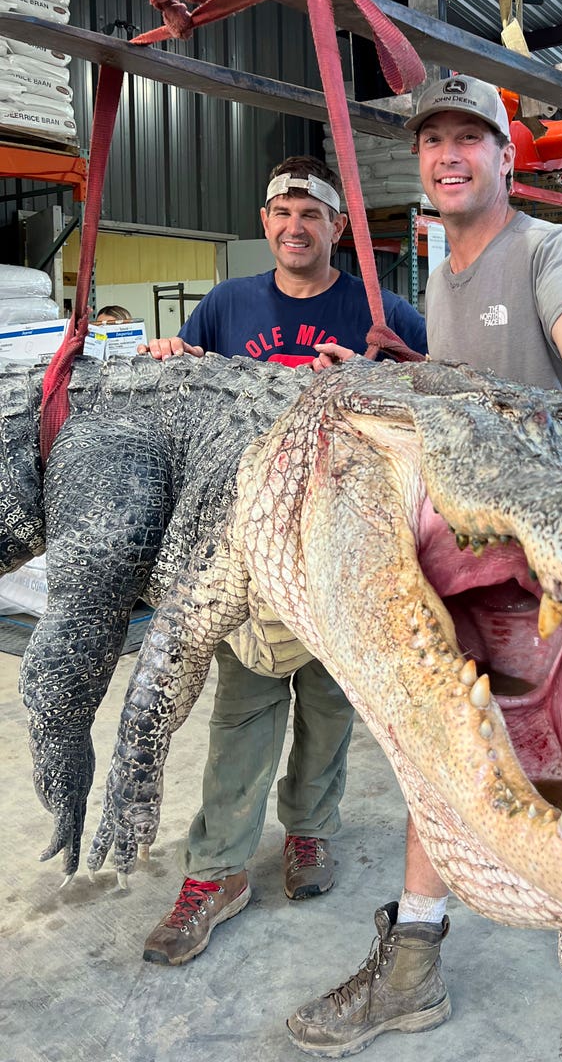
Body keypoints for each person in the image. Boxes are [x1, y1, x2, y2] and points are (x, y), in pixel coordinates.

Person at [287, 80, 562, 1062]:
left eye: (470, 136)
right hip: (493, 563)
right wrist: (380, 376)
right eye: (433, 139)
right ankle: (413, 961)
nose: (448, 153)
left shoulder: (551, 246)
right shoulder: (439, 265)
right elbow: (461, 389)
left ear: (507, 157)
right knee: (451, 746)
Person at [138, 154, 427, 967]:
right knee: (242, 711)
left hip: (344, 546)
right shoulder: (228, 305)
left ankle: (308, 833)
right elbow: (190, 391)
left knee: (331, 707)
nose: (295, 228)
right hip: (253, 546)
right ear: (265, 224)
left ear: (338, 226)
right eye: (281, 214)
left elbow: (438, 392)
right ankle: (217, 870)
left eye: (312, 215)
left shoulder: (380, 310)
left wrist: (380, 375)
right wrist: (169, 361)